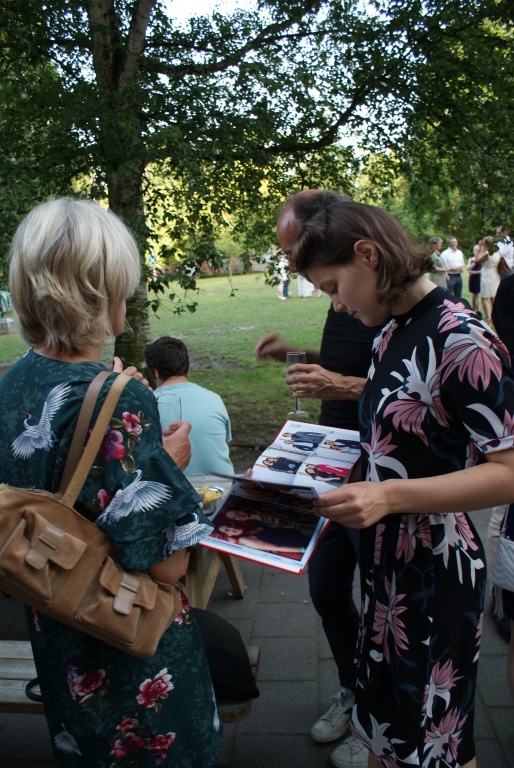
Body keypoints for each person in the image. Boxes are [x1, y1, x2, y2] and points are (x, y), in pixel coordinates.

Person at [281, 189, 514, 768]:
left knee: (437, 744)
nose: (336, 305)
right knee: (391, 731)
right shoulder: (391, 330)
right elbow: (404, 422)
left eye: (333, 287)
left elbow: (509, 471)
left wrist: (387, 494)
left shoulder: (463, 337)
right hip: (390, 562)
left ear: (368, 254)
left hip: (436, 569)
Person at [0, 198, 223, 768]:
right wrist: (166, 459)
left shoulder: (12, 381)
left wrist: (113, 400)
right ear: (100, 292)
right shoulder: (121, 400)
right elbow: (167, 566)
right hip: (129, 645)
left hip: (57, 629)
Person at [255, 193, 382, 768]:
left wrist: (343, 387)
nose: (293, 262)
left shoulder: (382, 299)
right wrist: (296, 353)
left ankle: (378, 718)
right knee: (327, 589)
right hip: (328, 466)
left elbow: (407, 387)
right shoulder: (342, 295)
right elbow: (347, 365)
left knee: (381, 604)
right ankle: (354, 690)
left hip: (375, 473)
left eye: (295, 248)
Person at [144, 336, 234, 478]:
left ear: (155, 372)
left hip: (176, 488)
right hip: (223, 485)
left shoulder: (146, 404)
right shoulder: (214, 398)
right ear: (186, 365)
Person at [475, 235, 500, 325]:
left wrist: (479, 249)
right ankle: (496, 316)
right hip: (495, 275)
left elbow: (476, 260)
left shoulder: (487, 254)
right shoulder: (497, 253)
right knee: (493, 297)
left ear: (486, 244)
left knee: (484, 298)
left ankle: (489, 318)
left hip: (487, 275)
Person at [466, 241, 483, 317]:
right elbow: (468, 268)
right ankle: (473, 309)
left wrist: (473, 272)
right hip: (472, 279)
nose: (475, 251)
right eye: (474, 250)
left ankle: (478, 311)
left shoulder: (481, 260)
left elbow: (482, 270)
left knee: (476, 295)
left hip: (478, 278)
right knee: (473, 294)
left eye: (477, 250)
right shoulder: (471, 259)